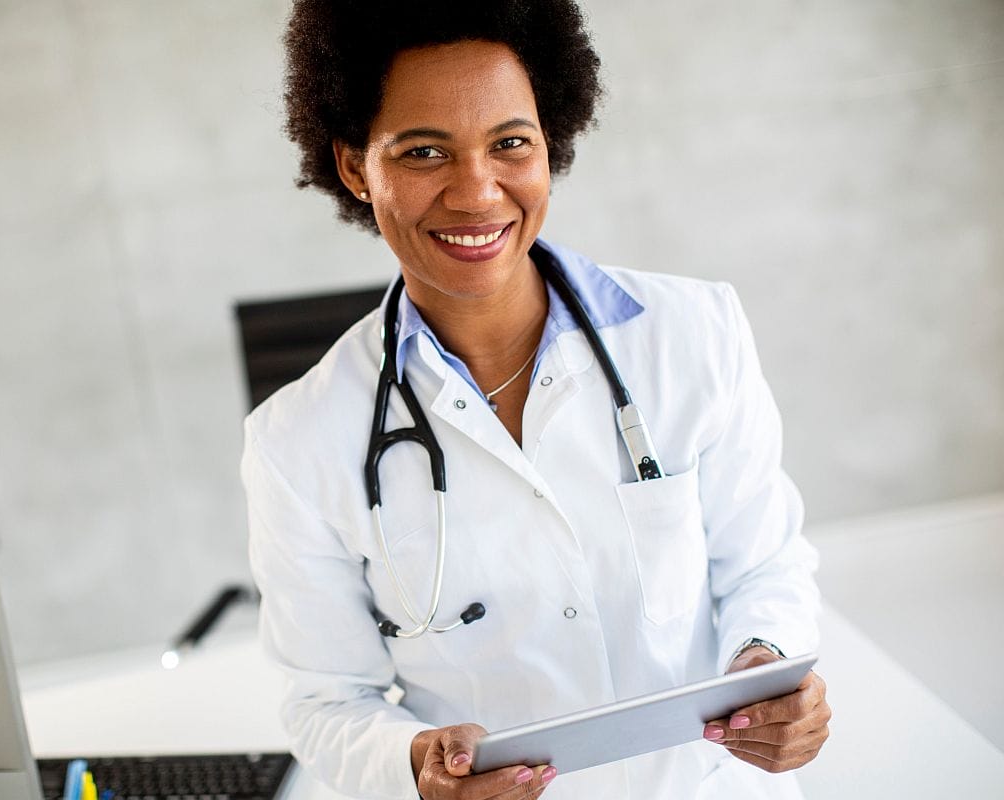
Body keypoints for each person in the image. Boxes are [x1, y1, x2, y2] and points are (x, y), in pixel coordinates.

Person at [241, 2, 831, 798]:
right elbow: (324, 701)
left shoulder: (694, 333)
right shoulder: (297, 440)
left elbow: (764, 564)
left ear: (551, 141)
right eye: (423, 152)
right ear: (355, 166)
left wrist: (769, 662)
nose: (476, 192)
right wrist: (415, 766)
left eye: (510, 143)